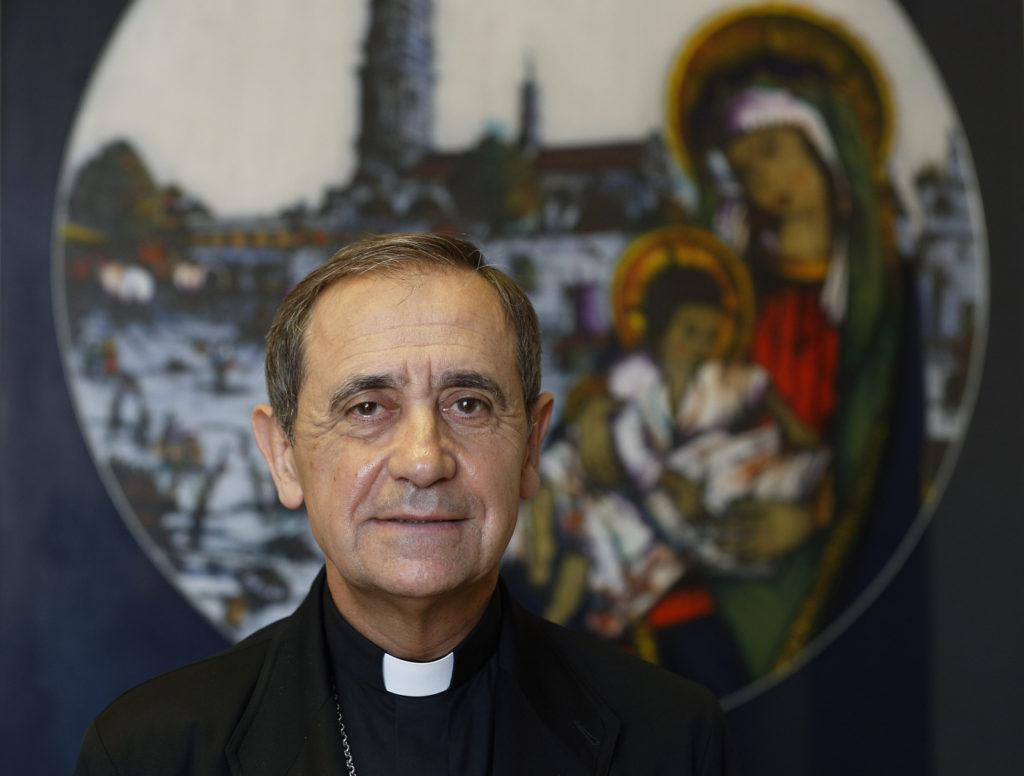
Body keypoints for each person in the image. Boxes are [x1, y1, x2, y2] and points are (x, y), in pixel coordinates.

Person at [74, 232, 732, 775]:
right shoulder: (148, 754)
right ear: (283, 456)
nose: (425, 460)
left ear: (531, 448)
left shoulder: (672, 741)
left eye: (468, 405)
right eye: (367, 408)